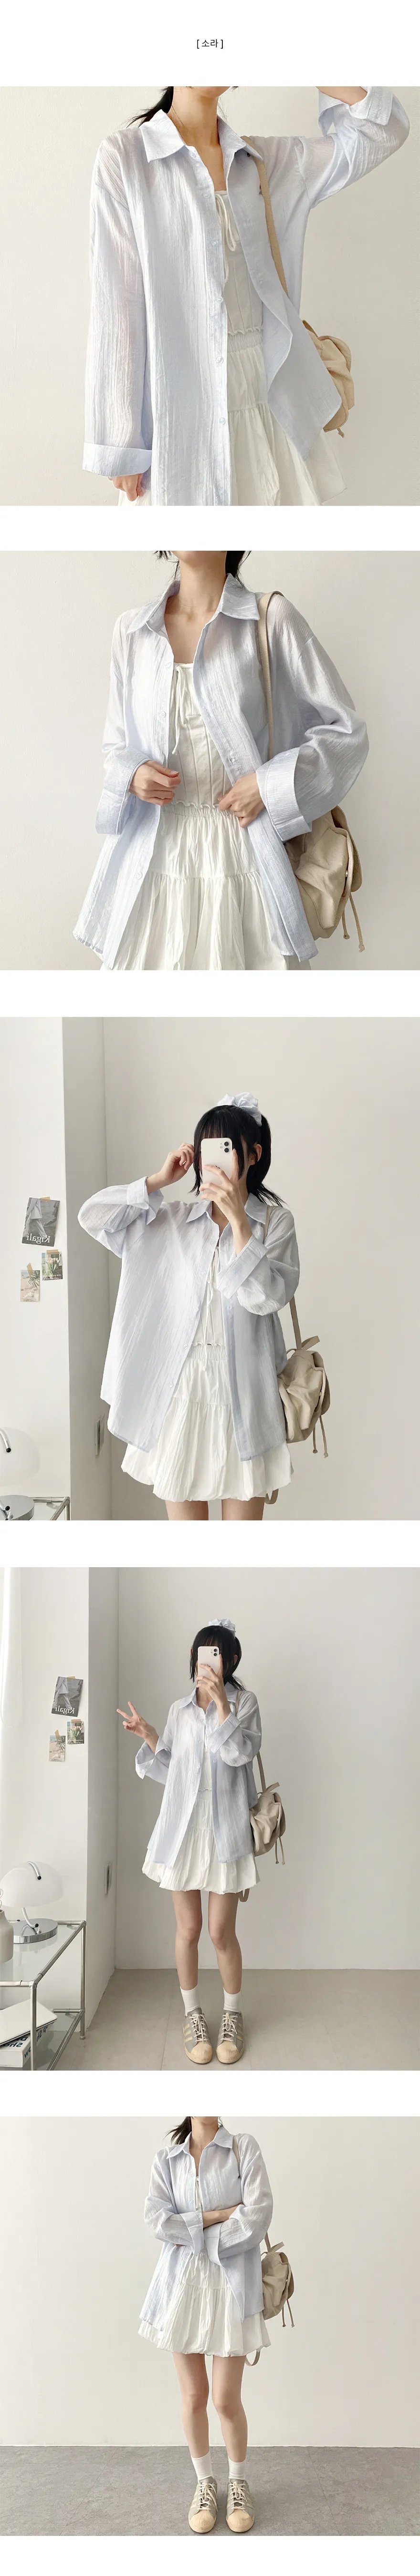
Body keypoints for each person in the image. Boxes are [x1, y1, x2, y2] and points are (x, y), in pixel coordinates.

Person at [83, 85, 409, 505]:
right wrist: (120, 439)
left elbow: (384, 131)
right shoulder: (127, 159)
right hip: (180, 407)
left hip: (267, 395)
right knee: (194, 535)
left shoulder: (263, 162)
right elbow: (118, 307)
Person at [74, 551, 368, 972]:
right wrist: (132, 774)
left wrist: (269, 786)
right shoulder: (132, 631)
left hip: (247, 855)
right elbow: (115, 746)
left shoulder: (270, 619)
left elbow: (346, 733)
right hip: (152, 862)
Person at [78, 1091, 301, 1522]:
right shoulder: (173, 1220)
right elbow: (92, 1217)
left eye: (226, 1147)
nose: (211, 1160)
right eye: (206, 1149)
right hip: (181, 1394)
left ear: (253, 1155)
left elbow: (267, 1299)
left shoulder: (275, 1223)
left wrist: (240, 1222)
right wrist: (156, 1182)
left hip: (247, 1396)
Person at [118, 1616, 262, 2064]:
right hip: (183, 1829)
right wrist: (150, 1736)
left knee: (220, 1932)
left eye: (217, 1653)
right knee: (189, 1930)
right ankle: (193, 2015)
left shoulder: (245, 1703)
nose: (208, 1661)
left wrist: (221, 1705)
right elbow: (175, 1774)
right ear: (194, 1659)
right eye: (203, 1652)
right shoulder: (179, 1710)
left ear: (231, 1659)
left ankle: (232, 2016)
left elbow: (240, 1754)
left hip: (226, 1829)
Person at [139, 2114, 273, 2531]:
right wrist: (217, 2215)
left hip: (232, 2287)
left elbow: (257, 2216)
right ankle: (204, 2484)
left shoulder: (243, 2147)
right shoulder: (167, 2160)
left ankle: (238, 2484)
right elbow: (157, 2220)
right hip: (182, 2289)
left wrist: (196, 2231)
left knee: (226, 2399)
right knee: (195, 2396)